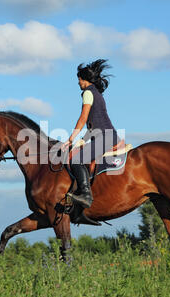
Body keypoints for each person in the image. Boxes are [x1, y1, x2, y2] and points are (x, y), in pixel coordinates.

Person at [61, 59, 120, 223]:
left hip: (105, 137)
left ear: (84, 79)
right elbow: (95, 122)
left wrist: (70, 139)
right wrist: (83, 139)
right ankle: (79, 212)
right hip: (105, 135)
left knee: (77, 160)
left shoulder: (88, 92)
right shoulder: (98, 94)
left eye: (79, 79)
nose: (78, 83)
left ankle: (86, 196)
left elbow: (83, 117)